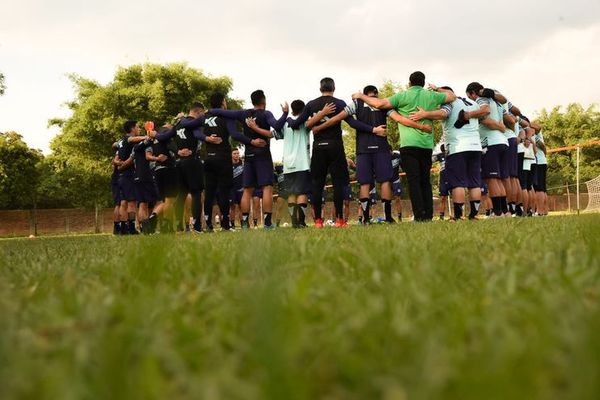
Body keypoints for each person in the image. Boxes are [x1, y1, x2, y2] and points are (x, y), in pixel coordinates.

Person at [352, 72, 456, 221]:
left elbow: (378, 104)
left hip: (408, 145)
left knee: (414, 180)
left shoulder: (402, 96)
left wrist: (361, 96)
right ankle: (428, 215)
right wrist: (437, 88)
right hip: (426, 145)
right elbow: (452, 96)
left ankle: (419, 216)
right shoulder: (431, 96)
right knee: (425, 180)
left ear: (409, 83)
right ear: (423, 82)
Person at [287, 78, 382, 228]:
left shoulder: (311, 104)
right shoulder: (339, 103)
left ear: (320, 88)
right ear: (334, 88)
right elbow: (353, 123)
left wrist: (290, 118)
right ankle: (339, 220)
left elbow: (296, 124)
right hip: (336, 147)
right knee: (339, 185)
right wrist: (372, 129)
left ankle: (318, 221)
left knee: (317, 184)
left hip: (318, 147)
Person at [210, 90, 288, 229]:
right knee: (267, 188)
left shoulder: (243, 113)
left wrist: (208, 110)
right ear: (264, 100)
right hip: (263, 154)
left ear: (252, 101)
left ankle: (245, 224)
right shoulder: (266, 113)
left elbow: (222, 112)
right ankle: (267, 223)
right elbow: (277, 126)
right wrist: (285, 113)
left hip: (248, 155)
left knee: (247, 190)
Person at [410, 87, 483, 220]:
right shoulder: (472, 103)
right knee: (474, 182)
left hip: (458, 146)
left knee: (458, 183)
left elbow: (443, 114)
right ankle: (475, 214)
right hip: (476, 146)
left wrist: (425, 114)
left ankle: (459, 216)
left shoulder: (448, 102)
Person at [197, 93, 254, 232]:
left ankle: (208, 225)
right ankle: (225, 225)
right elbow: (234, 134)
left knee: (209, 192)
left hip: (209, 159)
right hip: (222, 159)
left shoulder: (205, 117)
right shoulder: (227, 116)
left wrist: (206, 138)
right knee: (224, 192)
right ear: (223, 102)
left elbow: (194, 131)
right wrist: (251, 141)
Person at [155, 102, 206, 233]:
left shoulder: (177, 125)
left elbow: (163, 138)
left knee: (182, 195)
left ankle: (178, 227)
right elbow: (198, 135)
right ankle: (197, 226)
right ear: (198, 112)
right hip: (192, 161)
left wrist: (153, 134)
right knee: (196, 194)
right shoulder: (194, 124)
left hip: (179, 164)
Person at [465, 82, 509, 217]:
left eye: (470, 97)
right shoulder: (497, 102)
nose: (471, 100)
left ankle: (497, 212)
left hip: (491, 142)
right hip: (501, 141)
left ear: (473, 92)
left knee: (491, 179)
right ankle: (505, 211)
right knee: (498, 179)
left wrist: (469, 115)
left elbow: (485, 114)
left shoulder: (481, 99)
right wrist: (501, 127)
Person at [271, 100, 312, 228]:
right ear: (304, 109)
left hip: (288, 165)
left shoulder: (285, 124)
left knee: (292, 194)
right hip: (302, 163)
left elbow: (273, 134)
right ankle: (301, 222)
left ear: (292, 110)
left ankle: (294, 221)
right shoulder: (305, 122)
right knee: (302, 192)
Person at [115, 120, 147, 234]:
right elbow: (132, 139)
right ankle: (132, 228)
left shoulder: (120, 142)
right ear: (132, 129)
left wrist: (119, 164)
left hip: (121, 177)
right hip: (128, 175)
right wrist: (147, 137)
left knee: (123, 203)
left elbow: (115, 154)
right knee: (132, 203)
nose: (139, 129)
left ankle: (123, 229)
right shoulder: (128, 139)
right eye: (138, 127)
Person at [147, 123, 179, 233]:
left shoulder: (154, 139)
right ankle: (167, 227)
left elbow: (149, 154)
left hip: (157, 170)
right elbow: (173, 148)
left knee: (164, 201)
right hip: (168, 169)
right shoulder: (166, 135)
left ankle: (153, 217)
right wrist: (178, 151)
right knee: (170, 200)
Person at [532, 122, 548, 215]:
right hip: (542, 161)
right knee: (543, 188)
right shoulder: (537, 133)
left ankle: (540, 211)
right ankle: (545, 211)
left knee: (539, 188)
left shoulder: (535, 133)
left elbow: (542, 145)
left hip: (539, 162)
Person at [432, 142, 449, 220]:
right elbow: (432, 159)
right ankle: (441, 216)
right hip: (443, 179)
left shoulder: (452, 155)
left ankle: (459, 214)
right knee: (442, 197)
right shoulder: (440, 155)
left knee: (456, 193)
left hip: (452, 177)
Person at [230, 149, 244, 229]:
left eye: (238, 153)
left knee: (241, 206)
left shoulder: (243, 163)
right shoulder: (228, 164)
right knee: (232, 207)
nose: (236, 155)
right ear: (231, 155)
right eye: (234, 153)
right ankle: (232, 225)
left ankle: (243, 223)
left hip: (241, 188)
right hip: (232, 189)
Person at [391, 150, 404, 221]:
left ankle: (399, 217)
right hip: (387, 181)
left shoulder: (397, 156)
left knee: (397, 199)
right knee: (387, 200)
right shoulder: (384, 157)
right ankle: (387, 216)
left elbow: (403, 165)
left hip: (396, 180)